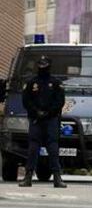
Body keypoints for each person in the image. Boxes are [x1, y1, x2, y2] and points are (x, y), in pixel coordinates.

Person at [19, 56, 66, 188]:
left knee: (53, 148)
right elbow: (26, 101)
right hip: (36, 120)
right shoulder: (31, 83)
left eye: (44, 65)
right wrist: (36, 112)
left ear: (49, 66)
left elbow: (60, 101)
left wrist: (48, 113)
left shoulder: (56, 83)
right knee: (33, 148)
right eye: (40, 64)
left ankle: (57, 177)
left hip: (51, 119)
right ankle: (28, 177)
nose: (42, 67)